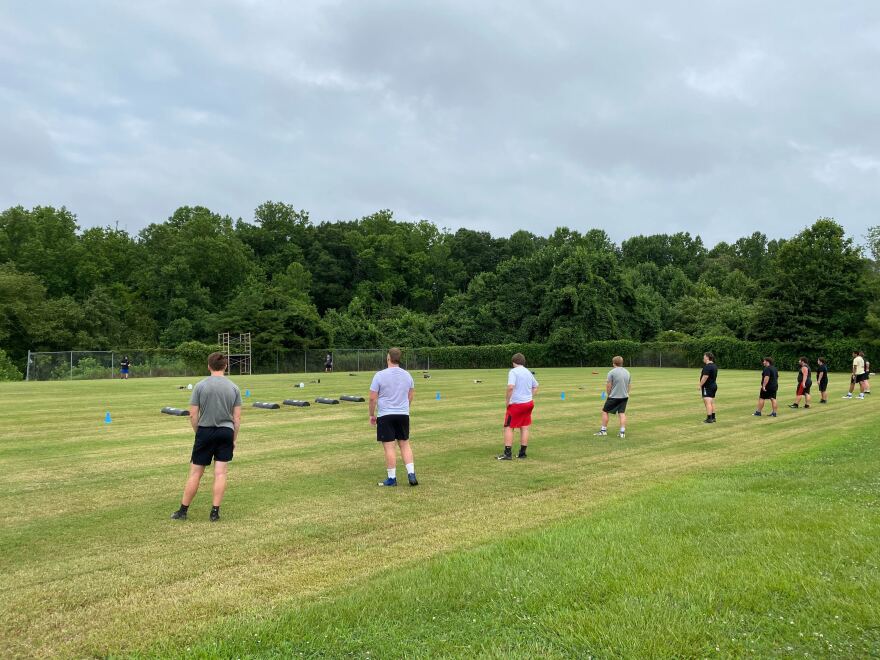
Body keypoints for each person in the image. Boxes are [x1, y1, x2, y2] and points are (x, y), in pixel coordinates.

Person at [171, 352, 242, 522]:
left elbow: (193, 414)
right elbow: (237, 418)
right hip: (226, 432)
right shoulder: (234, 387)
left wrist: (199, 432)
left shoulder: (200, 386)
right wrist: (233, 439)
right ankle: (215, 512)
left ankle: (182, 511)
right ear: (226, 366)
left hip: (205, 431)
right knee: (220, 473)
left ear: (209, 366)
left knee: (195, 473)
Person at [369, 347, 417, 486]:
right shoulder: (408, 375)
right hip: (403, 414)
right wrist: (404, 408)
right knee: (405, 444)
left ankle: (392, 479)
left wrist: (372, 415)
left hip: (385, 415)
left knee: (390, 447)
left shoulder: (379, 375)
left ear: (388, 358)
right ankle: (411, 474)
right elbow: (410, 395)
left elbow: (372, 399)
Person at [497, 353, 539, 460]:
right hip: (529, 403)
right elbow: (536, 386)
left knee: (508, 427)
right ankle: (522, 453)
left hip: (516, 405)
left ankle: (507, 454)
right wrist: (529, 397)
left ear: (513, 362)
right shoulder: (528, 372)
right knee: (524, 427)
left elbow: (511, 387)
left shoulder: (513, 371)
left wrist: (507, 401)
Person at [594, 356, 631, 438]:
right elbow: (629, 385)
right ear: (622, 363)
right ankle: (622, 433)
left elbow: (608, 386)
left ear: (613, 363)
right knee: (622, 413)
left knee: (605, 411)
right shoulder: (627, 372)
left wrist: (609, 395)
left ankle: (603, 431)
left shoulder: (611, 372)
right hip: (624, 397)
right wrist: (626, 393)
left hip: (614, 396)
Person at [699, 352, 718, 423]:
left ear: (707, 357)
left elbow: (705, 376)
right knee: (711, 402)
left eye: (704, 356)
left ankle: (709, 418)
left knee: (707, 402)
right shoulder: (714, 366)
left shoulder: (707, 366)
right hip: (713, 385)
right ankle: (713, 417)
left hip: (707, 387)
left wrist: (700, 385)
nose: (703, 358)